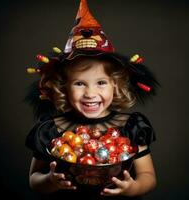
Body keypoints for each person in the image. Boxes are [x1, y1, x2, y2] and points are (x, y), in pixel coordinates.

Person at [25, 0, 159, 199]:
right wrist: (50, 181)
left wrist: (132, 188)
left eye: (101, 83)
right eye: (79, 84)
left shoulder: (132, 127)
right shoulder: (51, 129)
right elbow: (34, 179)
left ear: (116, 85)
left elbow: (148, 177)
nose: (90, 93)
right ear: (64, 87)